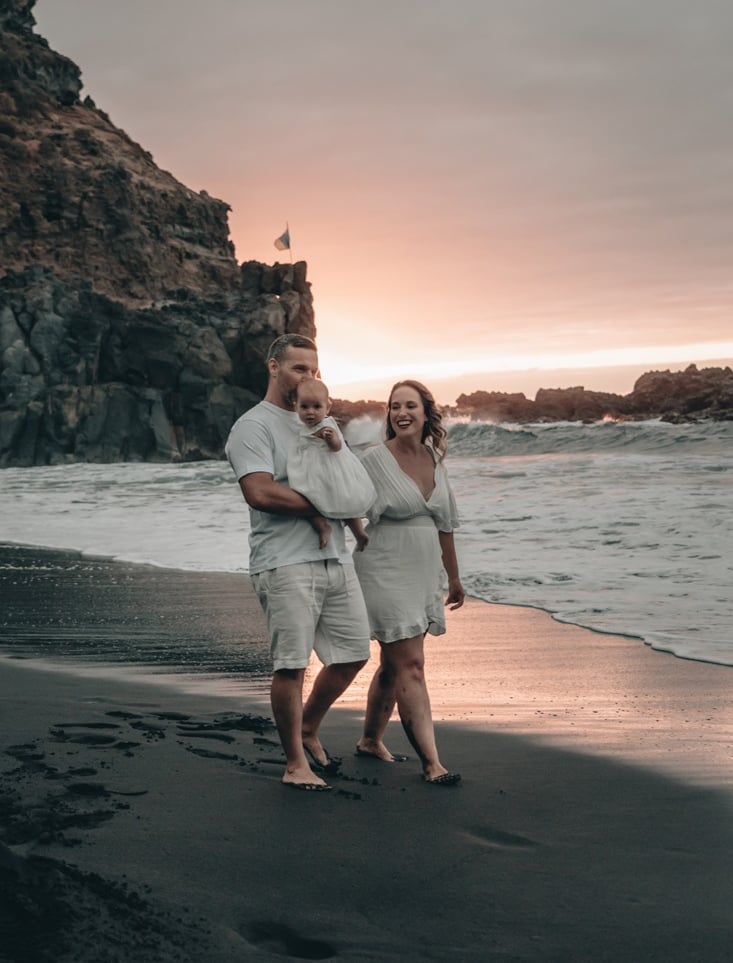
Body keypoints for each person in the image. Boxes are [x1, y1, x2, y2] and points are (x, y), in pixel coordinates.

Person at [225, 333, 370, 791]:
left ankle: (308, 727)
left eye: (313, 370)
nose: (307, 378)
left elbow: (346, 481)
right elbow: (261, 492)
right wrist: (320, 508)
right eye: (297, 368)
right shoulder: (254, 427)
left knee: (352, 654)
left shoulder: (321, 422)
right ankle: (294, 764)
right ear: (273, 367)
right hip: (284, 562)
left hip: (334, 557)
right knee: (290, 665)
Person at [353, 379, 465, 786]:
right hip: (383, 567)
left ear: (425, 412)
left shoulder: (436, 459)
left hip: (422, 572)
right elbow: (343, 503)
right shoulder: (372, 460)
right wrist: (353, 537)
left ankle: (369, 740)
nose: (401, 413)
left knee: (393, 662)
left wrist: (453, 577)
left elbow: (446, 524)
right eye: (395, 406)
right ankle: (433, 764)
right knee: (411, 664)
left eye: (410, 406)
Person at [288, 378, 374, 551]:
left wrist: (331, 439)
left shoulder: (327, 425)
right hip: (312, 472)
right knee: (307, 499)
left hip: (330, 470)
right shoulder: (301, 426)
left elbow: (337, 447)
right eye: (304, 407)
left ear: (327, 407)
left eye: (317, 407)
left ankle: (359, 533)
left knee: (346, 502)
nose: (310, 412)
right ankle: (323, 527)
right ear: (296, 405)